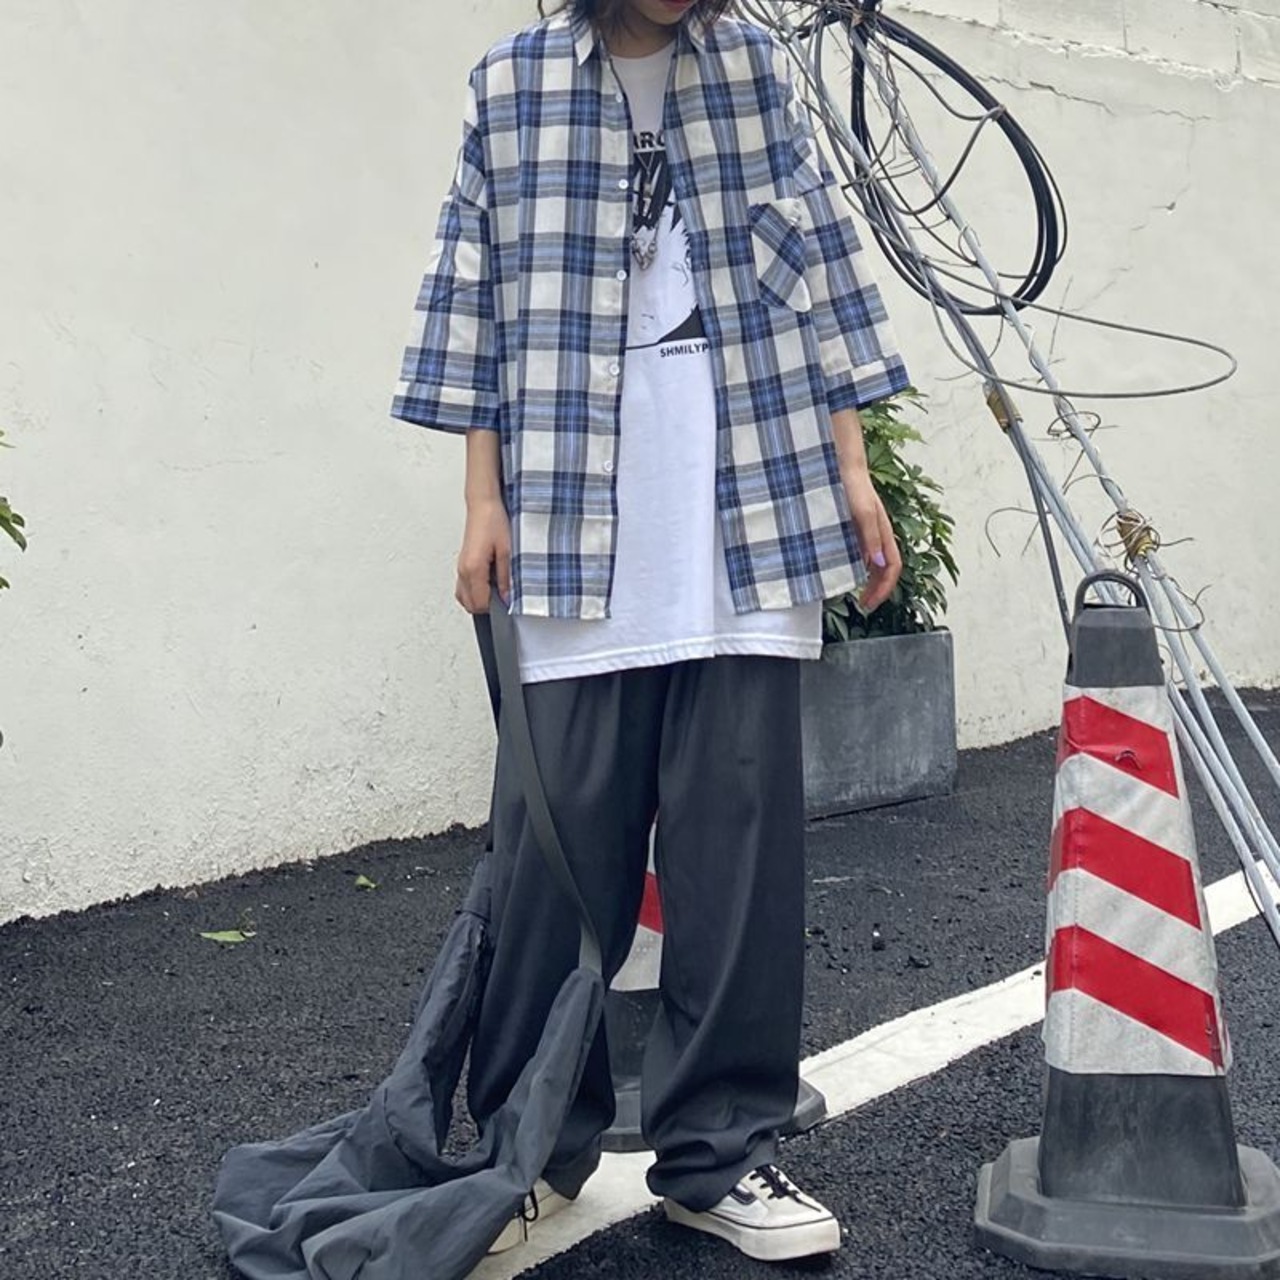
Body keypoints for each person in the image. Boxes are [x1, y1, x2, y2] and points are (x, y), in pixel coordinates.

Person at [392, 0, 910, 1262]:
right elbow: (473, 293)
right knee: (550, 864)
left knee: (737, 861)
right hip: (571, 523)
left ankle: (715, 1154)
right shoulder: (512, 84)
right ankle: (528, 1151)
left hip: (746, 514)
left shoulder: (754, 70)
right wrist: (479, 502)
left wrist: (852, 470)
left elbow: (820, 268)